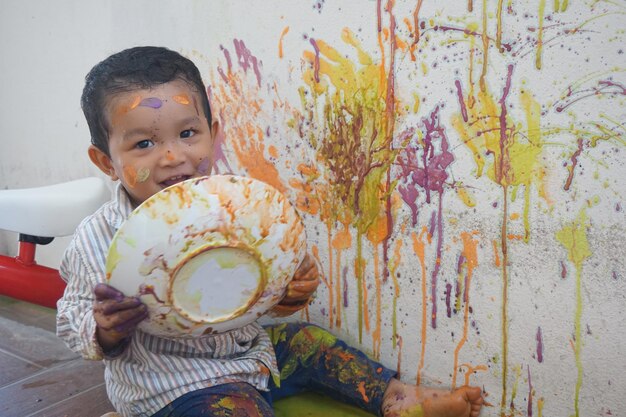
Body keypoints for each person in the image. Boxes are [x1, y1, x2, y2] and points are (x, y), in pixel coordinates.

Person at [56, 46, 484, 417]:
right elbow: (71, 319)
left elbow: (261, 281)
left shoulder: (238, 206)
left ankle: (395, 397)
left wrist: (290, 291)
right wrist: (105, 329)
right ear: (106, 161)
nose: (172, 156)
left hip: (253, 354)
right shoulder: (99, 238)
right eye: (144, 144)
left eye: (188, 133)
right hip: (173, 387)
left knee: (310, 341)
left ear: (213, 135)